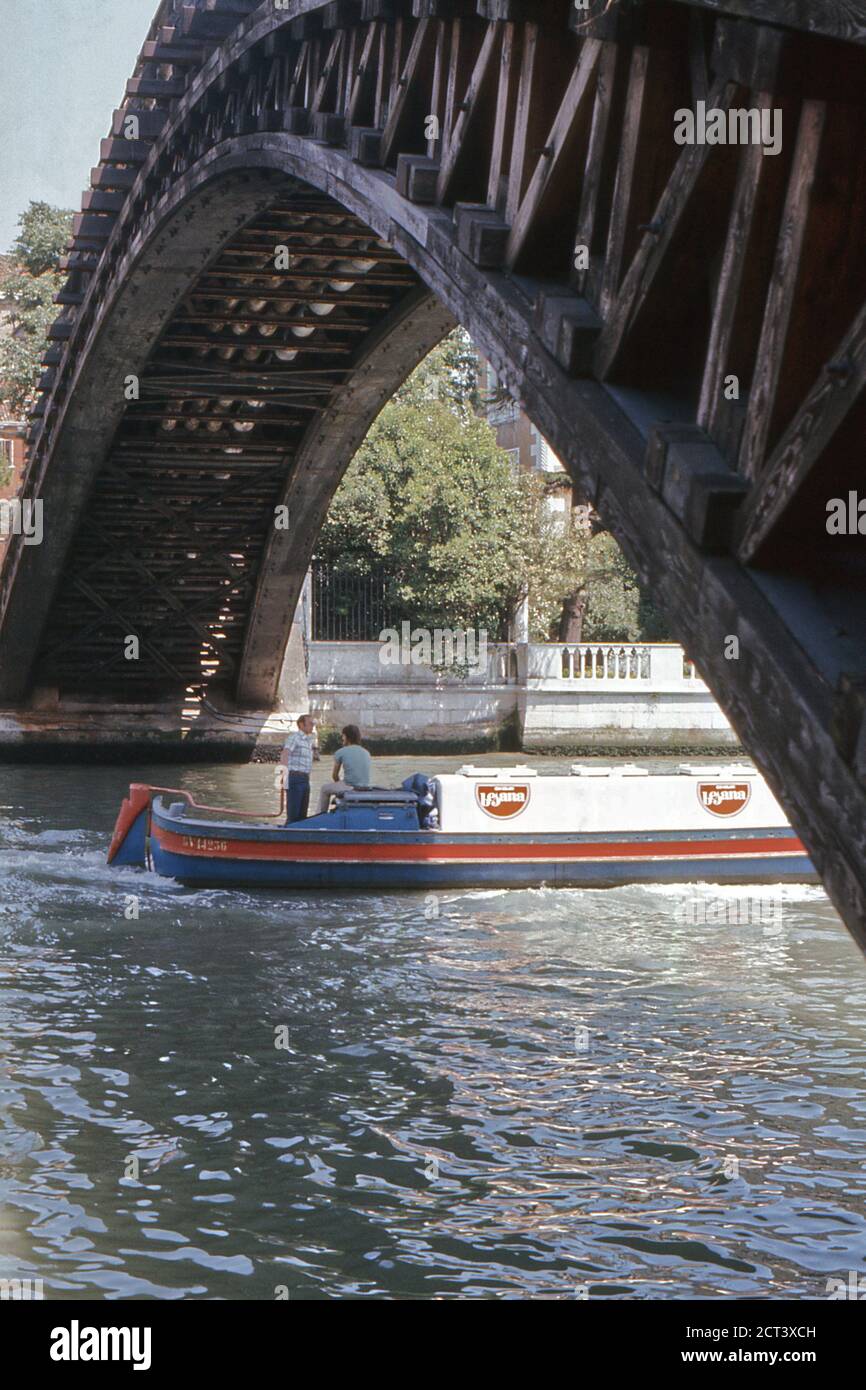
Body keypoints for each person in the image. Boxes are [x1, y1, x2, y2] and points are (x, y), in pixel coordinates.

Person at [316, 724, 372, 814]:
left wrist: (339, 784)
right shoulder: (366, 752)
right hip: (365, 786)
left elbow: (334, 775)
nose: (342, 738)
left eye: (343, 736)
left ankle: (320, 815)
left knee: (324, 789)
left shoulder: (341, 752)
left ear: (346, 736)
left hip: (350, 786)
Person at [282, 713, 316, 823]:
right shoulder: (295, 738)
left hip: (305, 779)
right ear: (301, 724)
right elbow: (285, 754)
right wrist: (283, 776)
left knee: (302, 815)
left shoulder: (308, 741)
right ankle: (288, 834)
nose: (312, 726)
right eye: (310, 723)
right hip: (295, 778)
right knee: (293, 813)